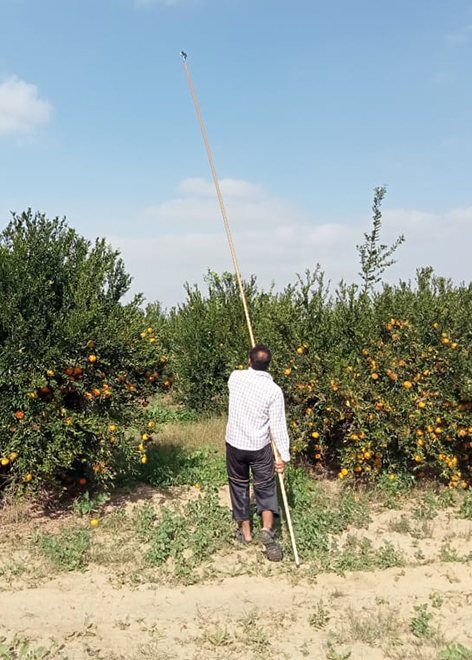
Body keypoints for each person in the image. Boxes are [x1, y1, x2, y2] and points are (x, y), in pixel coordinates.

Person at [225, 343, 291, 561]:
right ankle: (267, 529)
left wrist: (250, 360)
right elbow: (278, 426)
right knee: (265, 488)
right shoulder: (274, 391)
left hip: (235, 444)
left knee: (239, 485)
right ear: (269, 365)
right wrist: (282, 456)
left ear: (249, 361)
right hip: (259, 446)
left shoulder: (235, 378)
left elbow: (244, 371)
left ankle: (245, 533)